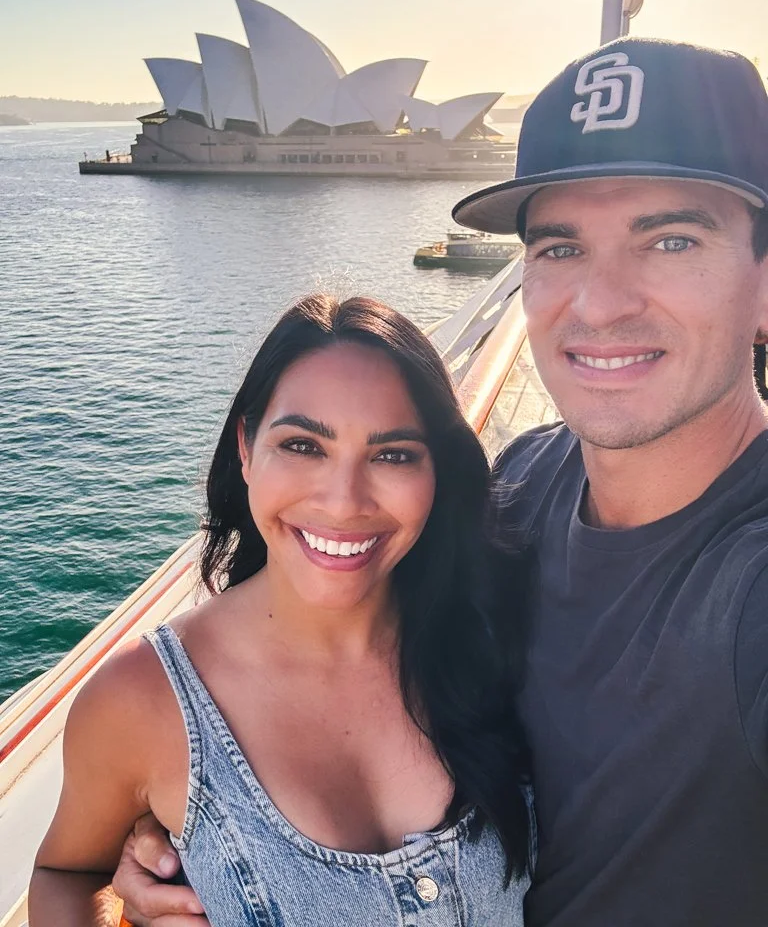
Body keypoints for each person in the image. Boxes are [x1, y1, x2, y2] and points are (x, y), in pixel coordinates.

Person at [116, 38, 768, 927]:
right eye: (562, 247)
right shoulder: (526, 483)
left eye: (673, 239)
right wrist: (189, 836)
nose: (602, 302)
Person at [29, 295, 533, 927]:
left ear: (438, 470)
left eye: (394, 454)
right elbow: (64, 873)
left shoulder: (494, 633)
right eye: (303, 445)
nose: (344, 502)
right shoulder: (144, 701)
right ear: (245, 448)